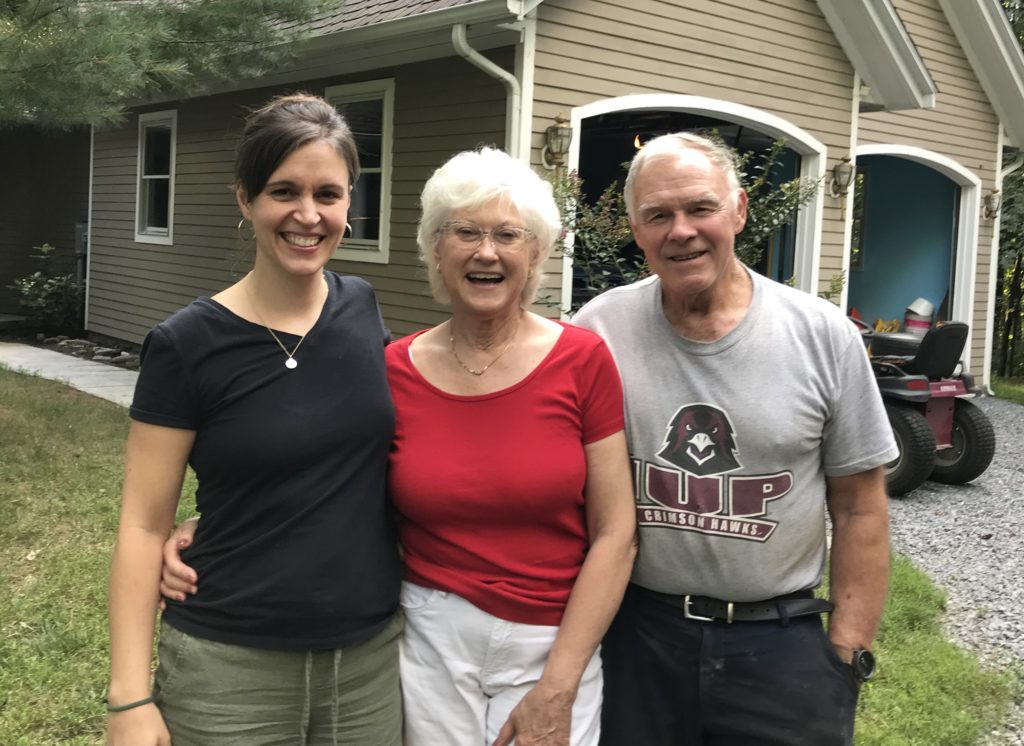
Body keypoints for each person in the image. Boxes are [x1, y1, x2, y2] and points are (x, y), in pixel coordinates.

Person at [162, 146, 638, 746]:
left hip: (552, 640)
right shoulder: (393, 367)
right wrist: (217, 518)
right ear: (437, 250)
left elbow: (616, 534)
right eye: (464, 232)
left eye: (508, 235)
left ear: (536, 253)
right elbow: (330, 461)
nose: (485, 251)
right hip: (426, 636)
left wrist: (559, 685)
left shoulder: (583, 360)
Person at [572, 132, 896, 746]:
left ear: (739, 210)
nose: (681, 230)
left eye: (701, 208)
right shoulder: (598, 331)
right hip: (637, 635)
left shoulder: (822, 335)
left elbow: (859, 506)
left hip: (779, 642)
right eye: (658, 216)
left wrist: (847, 651)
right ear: (636, 231)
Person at [106, 94, 403, 746]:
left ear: (349, 202)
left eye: (328, 193)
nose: (307, 214)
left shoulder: (362, 309)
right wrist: (128, 698)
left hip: (367, 666)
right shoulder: (186, 345)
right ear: (245, 199)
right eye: (283, 191)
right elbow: (141, 522)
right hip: (228, 672)